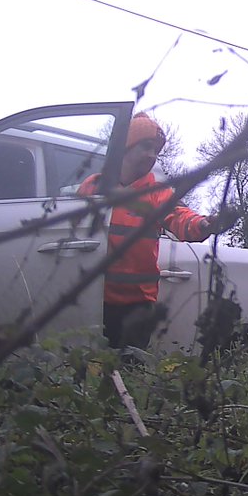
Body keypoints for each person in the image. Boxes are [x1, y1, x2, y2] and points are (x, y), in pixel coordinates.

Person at [77, 112, 220, 351]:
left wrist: (204, 224)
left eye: (156, 150)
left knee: (129, 366)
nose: (152, 155)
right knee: (91, 366)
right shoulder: (93, 186)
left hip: (137, 306)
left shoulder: (157, 193)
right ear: (126, 146)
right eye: (146, 147)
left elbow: (181, 216)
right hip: (94, 298)